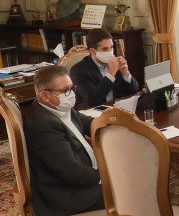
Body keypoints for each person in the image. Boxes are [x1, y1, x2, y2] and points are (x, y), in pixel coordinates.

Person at [23, 65, 105, 216]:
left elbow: (86, 122)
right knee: (128, 189)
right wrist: (105, 176)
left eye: (72, 88)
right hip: (66, 195)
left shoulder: (58, 107)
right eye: (65, 90)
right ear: (45, 95)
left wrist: (115, 125)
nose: (71, 94)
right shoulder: (43, 125)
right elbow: (71, 171)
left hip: (81, 179)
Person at [70, 28, 139, 109]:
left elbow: (134, 91)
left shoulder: (116, 62)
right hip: (92, 112)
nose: (110, 52)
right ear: (92, 51)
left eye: (111, 47)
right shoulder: (78, 70)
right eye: (105, 49)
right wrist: (111, 73)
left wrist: (125, 73)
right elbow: (93, 100)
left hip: (116, 108)